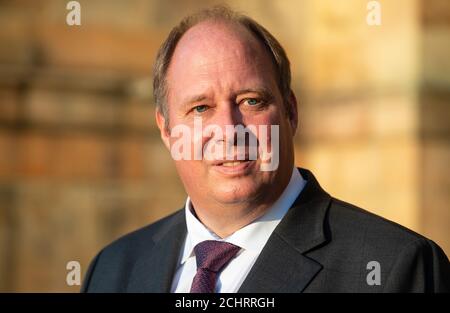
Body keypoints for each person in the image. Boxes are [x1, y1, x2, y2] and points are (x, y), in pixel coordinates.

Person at [81, 6, 449, 293]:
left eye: (251, 101)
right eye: (200, 108)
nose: (228, 129)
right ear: (166, 129)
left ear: (290, 112)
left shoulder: (395, 266)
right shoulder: (113, 269)